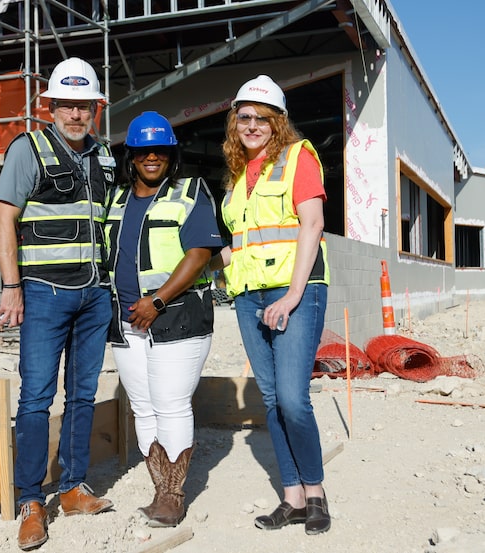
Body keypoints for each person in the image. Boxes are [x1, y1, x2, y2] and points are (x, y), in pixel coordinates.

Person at [0, 57, 118, 551]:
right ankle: (30, 500)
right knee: (36, 399)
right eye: (65, 104)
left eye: (83, 104)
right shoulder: (29, 149)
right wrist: (11, 286)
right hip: (44, 295)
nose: (74, 113)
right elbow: (5, 219)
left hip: (93, 296)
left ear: (95, 108)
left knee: (83, 396)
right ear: (50, 106)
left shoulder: (104, 157)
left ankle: (70, 487)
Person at [213, 75, 332, 535]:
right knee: (270, 399)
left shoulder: (297, 158)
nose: (251, 124)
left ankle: (317, 493)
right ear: (234, 122)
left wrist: (293, 295)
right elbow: (238, 247)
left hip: (294, 291)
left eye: (261, 117)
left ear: (277, 121)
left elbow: (312, 224)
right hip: (248, 296)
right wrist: (200, 257)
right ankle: (293, 497)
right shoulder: (238, 178)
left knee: (292, 398)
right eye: (243, 116)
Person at [105, 111, 223, 527]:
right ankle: (158, 487)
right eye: (142, 151)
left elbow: (200, 253)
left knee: (171, 404)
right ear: (131, 155)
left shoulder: (191, 192)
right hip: (126, 320)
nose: (151, 157)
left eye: (160, 150)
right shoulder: (116, 200)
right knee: (142, 406)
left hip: (177, 316)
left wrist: (156, 300)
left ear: (172, 155)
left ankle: (173, 495)